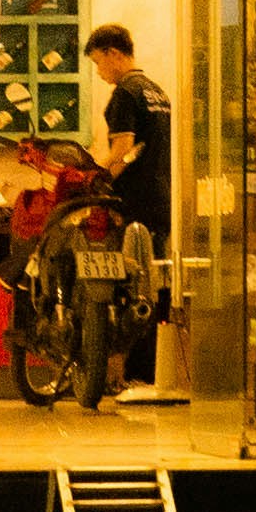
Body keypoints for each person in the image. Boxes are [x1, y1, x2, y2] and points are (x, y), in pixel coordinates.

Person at [87, 25, 178, 404]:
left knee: (128, 288)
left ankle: (134, 374)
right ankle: (147, 374)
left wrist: (95, 180)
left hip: (134, 203)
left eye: (97, 63)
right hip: (160, 199)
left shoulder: (125, 93)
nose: (99, 73)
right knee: (152, 285)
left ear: (113, 53)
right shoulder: (157, 91)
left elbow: (123, 151)